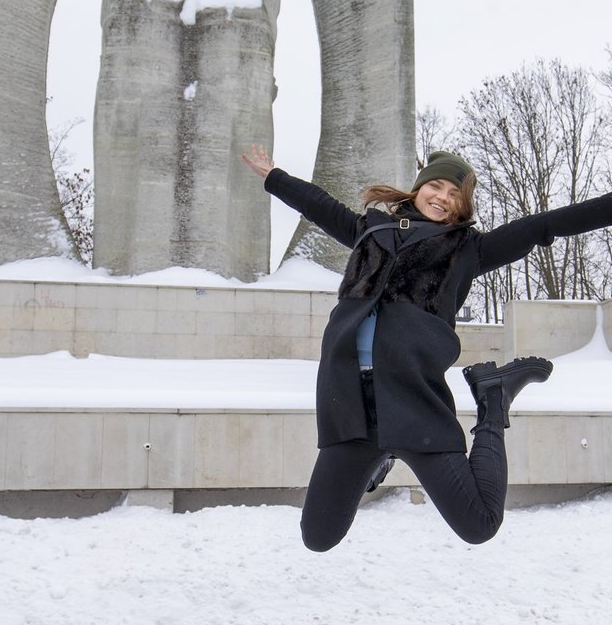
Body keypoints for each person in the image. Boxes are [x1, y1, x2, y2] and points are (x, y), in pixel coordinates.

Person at [241, 143, 612, 550]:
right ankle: (379, 457)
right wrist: (275, 176)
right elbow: (319, 205)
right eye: (437, 187)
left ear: (461, 207)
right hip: (350, 407)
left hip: (414, 404)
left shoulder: (467, 249)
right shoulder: (371, 231)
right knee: (318, 537)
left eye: (455, 195)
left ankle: (495, 397)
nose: (443, 198)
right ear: (417, 189)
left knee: (479, 524)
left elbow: (544, 225)